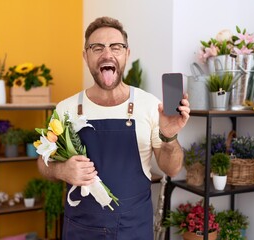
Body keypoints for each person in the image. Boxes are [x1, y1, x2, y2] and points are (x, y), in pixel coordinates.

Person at [37, 16, 190, 240]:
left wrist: (168, 136)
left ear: (127, 54)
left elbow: (172, 169)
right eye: (97, 48)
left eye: (116, 47)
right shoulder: (66, 109)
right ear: (85, 55)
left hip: (133, 229)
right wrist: (61, 170)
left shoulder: (149, 106)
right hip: (81, 229)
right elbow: (42, 162)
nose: (107, 54)